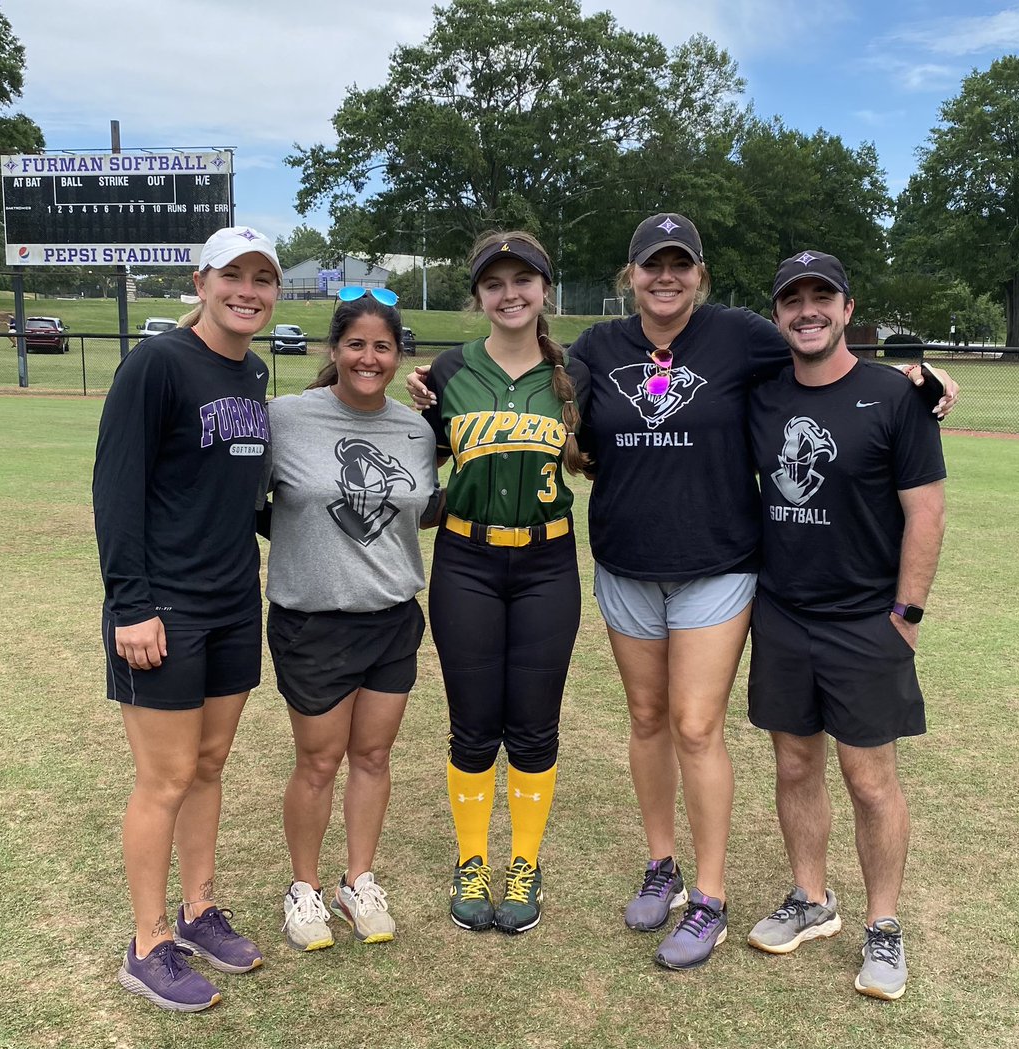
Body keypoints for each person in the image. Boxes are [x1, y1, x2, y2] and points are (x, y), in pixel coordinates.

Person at [409, 215, 955, 970]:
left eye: (680, 265)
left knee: (696, 725)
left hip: (717, 563)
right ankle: (660, 865)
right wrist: (426, 389)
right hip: (626, 561)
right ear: (630, 276)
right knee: (646, 717)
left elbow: (822, 352)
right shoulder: (596, 349)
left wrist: (916, 378)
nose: (665, 277)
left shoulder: (739, 335)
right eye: (651, 265)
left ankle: (709, 896)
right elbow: (546, 405)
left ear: (700, 274)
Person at [744, 250, 946, 1002]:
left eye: (821, 296)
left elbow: (926, 511)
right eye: (792, 299)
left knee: (869, 779)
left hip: (866, 619)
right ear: (777, 316)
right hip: (782, 613)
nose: (808, 310)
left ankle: (884, 924)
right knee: (796, 766)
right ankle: (811, 898)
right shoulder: (762, 395)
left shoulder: (895, 396)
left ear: (848, 309)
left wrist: (907, 614)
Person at [93, 226, 281, 1012]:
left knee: (209, 765)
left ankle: (198, 909)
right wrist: (130, 604)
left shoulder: (255, 372)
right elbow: (116, 487)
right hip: (164, 605)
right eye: (232, 275)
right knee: (165, 776)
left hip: (235, 599)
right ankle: (146, 945)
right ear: (201, 282)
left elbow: (242, 492)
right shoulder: (158, 363)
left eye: (262, 278)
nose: (248, 290)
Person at [422, 231, 590, 934]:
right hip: (466, 560)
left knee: (534, 723)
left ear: (545, 289)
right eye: (494, 282)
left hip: (548, 563)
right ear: (478, 295)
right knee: (471, 725)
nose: (510, 293)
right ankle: (471, 861)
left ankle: (523, 863)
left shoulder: (576, 374)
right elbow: (415, 459)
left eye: (524, 279)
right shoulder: (447, 371)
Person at [264, 288, 439, 952]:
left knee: (372, 755)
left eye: (382, 346)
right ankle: (303, 888)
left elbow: (421, 508)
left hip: (392, 617)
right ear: (334, 349)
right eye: (356, 344)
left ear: (398, 355)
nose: (369, 358)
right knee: (318, 761)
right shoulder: (285, 417)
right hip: (312, 620)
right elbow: (246, 500)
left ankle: (357, 880)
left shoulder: (415, 431)